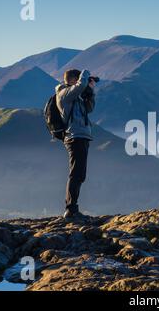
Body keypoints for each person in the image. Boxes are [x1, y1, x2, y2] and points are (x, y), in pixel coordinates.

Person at [55, 69, 96, 219]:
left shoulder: (76, 97)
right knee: (76, 174)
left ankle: (72, 208)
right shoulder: (64, 94)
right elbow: (80, 85)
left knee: (80, 174)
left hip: (82, 136)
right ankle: (71, 209)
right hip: (74, 136)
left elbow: (89, 109)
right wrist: (85, 74)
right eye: (78, 79)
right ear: (73, 80)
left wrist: (90, 91)